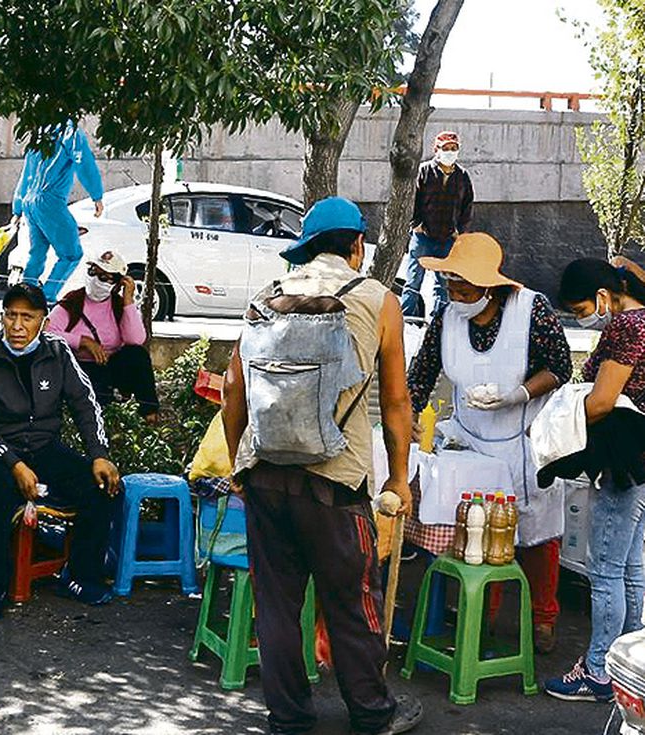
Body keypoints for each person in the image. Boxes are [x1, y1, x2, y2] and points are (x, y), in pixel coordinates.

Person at [221, 197, 422, 735]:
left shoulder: (267, 296)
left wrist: (243, 460)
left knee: (277, 604)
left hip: (265, 476)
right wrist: (398, 478)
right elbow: (397, 401)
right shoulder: (378, 300)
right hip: (336, 482)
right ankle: (373, 713)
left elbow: (232, 387)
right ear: (358, 245)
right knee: (353, 602)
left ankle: (288, 717)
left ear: (306, 248)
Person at [406, 233, 570, 653]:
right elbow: (421, 374)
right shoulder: (447, 317)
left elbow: (560, 366)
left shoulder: (531, 310)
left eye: (466, 288)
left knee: (536, 534)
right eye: (451, 286)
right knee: (477, 534)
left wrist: (518, 394)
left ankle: (543, 619)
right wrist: (406, 416)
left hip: (525, 439)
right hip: (472, 442)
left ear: (491, 286)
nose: (456, 295)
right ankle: (480, 618)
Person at [0, 283, 121, 621]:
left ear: (43, 321)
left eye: (27, 317)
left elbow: (85, 404)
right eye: (11, 316)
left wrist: (99, 453)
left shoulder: (58, 351)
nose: (17, 326)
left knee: (103, 488)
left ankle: (78, 576)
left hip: (45, 449)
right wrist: (12, 462)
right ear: (2, 317)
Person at [543, 258, 645, 702]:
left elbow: (602, 401)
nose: (584, 317)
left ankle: (601, 671)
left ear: (604, 296)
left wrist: (557, 425)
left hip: (621, 464)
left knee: (605, 571)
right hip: (641, 463)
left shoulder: (626, 326)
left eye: (582, 309)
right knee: (633, 568)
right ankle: (633, 666)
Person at [45, 250, 160, 421]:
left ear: (117, 283)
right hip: (77, 367)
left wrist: (128, 300)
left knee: (137, 355)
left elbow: (135, 340)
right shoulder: (73, 302)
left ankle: (149, 413)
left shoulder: (118, 306)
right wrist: (83, 342)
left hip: (109, 366)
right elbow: (47, 334)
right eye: (94, 273)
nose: (97, 281)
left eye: (105, 278)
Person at [12, 121, 105, 303]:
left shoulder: (40, 132)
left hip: (30, 201)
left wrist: (17, 207)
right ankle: (46, 298)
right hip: (50, 201)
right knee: (71, 254)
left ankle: (25, 295)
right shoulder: (70, 132)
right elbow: (84, 163)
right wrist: (96, 195)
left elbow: (26, 173)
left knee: (37, 253)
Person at [401, 131, 475, 318]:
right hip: (422, 236)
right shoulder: (424, 171)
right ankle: (406, 319)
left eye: (453, 148)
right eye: (446, 148)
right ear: (436, 150)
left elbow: (467, 206)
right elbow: (412, 200)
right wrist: (416, 224)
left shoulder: (462, 176)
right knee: (413, 281)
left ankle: (438, 320)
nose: (450, 152)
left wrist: (460, 232)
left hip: (448, 238)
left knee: (442, 284)